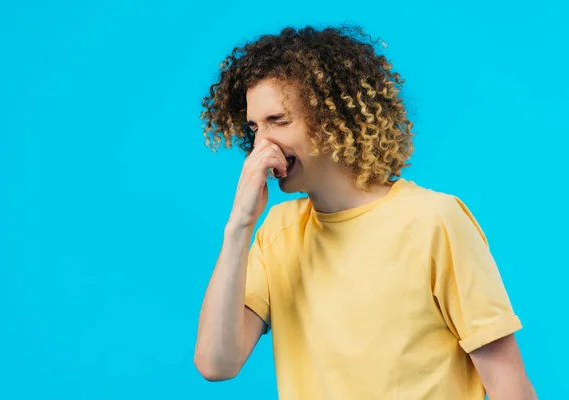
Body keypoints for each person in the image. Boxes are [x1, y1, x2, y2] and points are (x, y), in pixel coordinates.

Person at [194, 25, 537, 399]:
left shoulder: (432, 221)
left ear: (333, 118)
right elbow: (216, 363)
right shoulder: (278, 233)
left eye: (279, 121)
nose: (261, 144)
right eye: (254, 128)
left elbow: (509, 385)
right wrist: (239, 226)